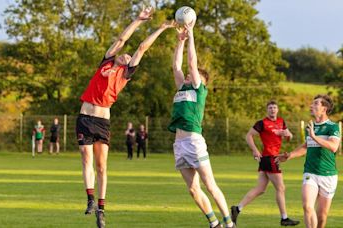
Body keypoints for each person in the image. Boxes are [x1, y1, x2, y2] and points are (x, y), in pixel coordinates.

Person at [75, 6, 175, 227]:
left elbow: (142, 47)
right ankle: (90, 199)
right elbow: (122, 39)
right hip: (85, 116)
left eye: (129, 56)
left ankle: (101, 209)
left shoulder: (126, 72)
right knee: (86, 159)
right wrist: (138, 20)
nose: (126, 54)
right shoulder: (107, 62)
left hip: (101, 122)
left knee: (102, 167)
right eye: (124, 53)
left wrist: (161, 28)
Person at [167, 23, 235, 228]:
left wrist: (192, 35)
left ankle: (230, 223)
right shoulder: (182, 88)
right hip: (179, 144)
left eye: (194, 75)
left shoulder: (198, 90)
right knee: (193, 190)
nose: (188, 76)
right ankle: (214, 223)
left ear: (202, 81)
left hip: (194, 142)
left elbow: (191, 64)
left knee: (210, 186)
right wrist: (180, 41)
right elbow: (176, 67)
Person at [230, 101, 299, 226]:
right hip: (270, 158)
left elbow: (289, 136)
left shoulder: (281, 121)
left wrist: (288, 135)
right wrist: (255, 150)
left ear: (277, 110)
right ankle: (284, 218)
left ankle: (237, 208)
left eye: (274, 108)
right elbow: (248, 136)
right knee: (281, 188)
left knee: (260, 189)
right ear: (267, 110)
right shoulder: (262, 123)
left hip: (269, 159)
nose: (272, 110)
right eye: (270, 108)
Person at [277, 95, 341, 228]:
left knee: (322, 217)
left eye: (315, 104)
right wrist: (289, 155)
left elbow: (333, 147)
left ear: (324, 109)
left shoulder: (333, 127)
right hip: (310, 172)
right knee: (307, 206)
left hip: (328, 174)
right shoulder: (310, 127)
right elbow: (307, 146)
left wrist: (314, 136)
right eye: (312, 104)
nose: (311, 106)